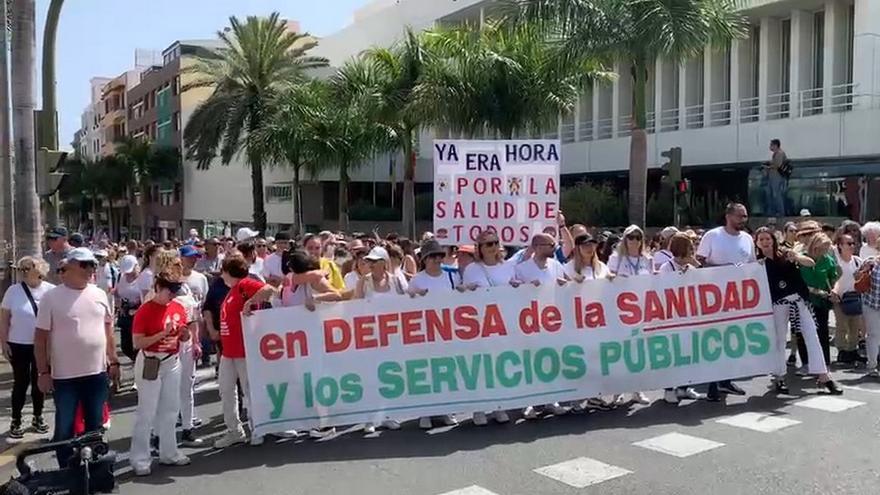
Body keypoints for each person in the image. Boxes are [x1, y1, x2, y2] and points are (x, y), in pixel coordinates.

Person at [34, 248, 120, 466]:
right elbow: (41, 338)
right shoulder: (51, 297)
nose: (90, 269)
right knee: (65, 428)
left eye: (92, 264)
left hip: (96, 373)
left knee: (95, 426)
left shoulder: (99, 294)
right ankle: (68, 473)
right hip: (65, 377)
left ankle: (96, 472)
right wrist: (43, 371)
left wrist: (114, 360)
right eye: (84, 265)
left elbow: (108, 332)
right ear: (68, 267)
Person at [755, 227, 842, 395]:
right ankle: (779, 377)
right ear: (757, 243)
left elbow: (810, 262)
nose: (765, 242)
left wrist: (796, 257)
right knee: (780, 340)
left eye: (768, 238)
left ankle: (824, 377)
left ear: (773, 240)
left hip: (798, 300)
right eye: (761, 239)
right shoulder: (757, 262)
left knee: (812, 335)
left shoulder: (786, 254)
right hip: (777, 304)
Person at [128, 269, 193, 476]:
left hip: (172, 361)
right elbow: (138, 342)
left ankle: (169, 452)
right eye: (169, 291)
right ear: (157, 288)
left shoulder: (178, 307)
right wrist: (162, 333)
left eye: (175, 291)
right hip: (150, 361)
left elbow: (183, 336)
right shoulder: (145, 311)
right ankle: (140, 458)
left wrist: (184, 334)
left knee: (171, 408)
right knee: (146, 411)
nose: (172, 295)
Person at [213, 255, 278, 448]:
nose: (221, 275)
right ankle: (234, 430)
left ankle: (257, 427)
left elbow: (269, 290)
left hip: (244, 349)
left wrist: (250, 302)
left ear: (228, 271)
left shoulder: (244, 284)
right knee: (226, 391)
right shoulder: (231, 290)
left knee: (250, 391)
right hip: (229, 351)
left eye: (223, 271)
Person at [696, 203, 755, 401]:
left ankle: (726, 380)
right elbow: (699, 262)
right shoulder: (712, 236)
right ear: (728, 216)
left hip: (738, 298)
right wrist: (723, 269)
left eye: (745, 216)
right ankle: (712, 383)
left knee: (733, 339)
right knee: (715, 340)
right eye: (740, 216)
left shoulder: (747, 239)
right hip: (714, 297)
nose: (743, 220)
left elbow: (753, 265)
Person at [511, 234, 571, 418]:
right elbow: (511, 288)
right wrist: (525, 286)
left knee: (550, 361)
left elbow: (570, 283)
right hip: (529, 321)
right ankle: (527, 403)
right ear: (537, 247)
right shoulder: (521, 268)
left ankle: (551, 399)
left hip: (552, 321)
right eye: (550, 244)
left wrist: (565, 284)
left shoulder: (555, 265)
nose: (554, 247)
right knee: (530, 362)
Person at [0, 257, 55, 438]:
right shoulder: (13, 291)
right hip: (18, 343)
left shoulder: (50, 291)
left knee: (40, 381)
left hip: (42, 345)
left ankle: (38, 416)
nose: (23, 271)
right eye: (21, 268)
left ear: (39, 269)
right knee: (20, 382)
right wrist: (4, 342)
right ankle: (16, 419)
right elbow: (4, 319)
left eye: (28, 268)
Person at [408, 240, 460, 428]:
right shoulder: (417, 279)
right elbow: (405, 305)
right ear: (424, 259)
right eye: (433, 256)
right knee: (427, 371)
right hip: (425, 332)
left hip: (448, 331)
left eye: (440, 256)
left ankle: (447, 409)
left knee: (446, 371)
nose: (437, 259)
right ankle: (426, 412)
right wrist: (414, 296)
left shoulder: (451, 277)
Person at [657, 234, 705, 403]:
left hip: (690, 316)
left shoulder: (692, 268)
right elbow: (664, 290)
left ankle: (685, 387)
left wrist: (696, 267)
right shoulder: (666, 267)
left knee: (689, 353)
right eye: (689, 248)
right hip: (672, 317)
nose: (692, 251)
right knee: (672, 354)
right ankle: (669, 389)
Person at [178, 245, 208, 446]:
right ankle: (161, 432)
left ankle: (187, 425)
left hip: (190, 338)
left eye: (196, 257)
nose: (193, 260)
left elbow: (199, 309)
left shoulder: (199, 280)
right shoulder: (166, 283)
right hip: (173, 341)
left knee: (188, 383)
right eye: (189, 257)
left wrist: (198, 339)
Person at [799, 233, 839, 368]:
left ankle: (825, 363)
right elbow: (800, 282)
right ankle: (806, 363)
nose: (825, 252)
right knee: (804, 332)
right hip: (805, 300)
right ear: (815, 247)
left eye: (827, 249)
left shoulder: (827, 260)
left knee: (822, 331)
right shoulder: (803, 259)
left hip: (822, 302)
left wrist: (834, 290)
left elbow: (834, 278)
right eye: (822, 248)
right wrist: (817, 292)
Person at [831, 232, 865, 366]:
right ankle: (842, 351)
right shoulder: (835, 260)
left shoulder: (857, 261)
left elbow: (862, 280)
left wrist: (860, 277)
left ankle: (852, 350)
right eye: (848, 243)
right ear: (840, 245)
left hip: (854, 297)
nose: (852, 246)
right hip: (840, 298)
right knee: (841, 326)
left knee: (855, 326)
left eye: (853, 243)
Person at [115, 255, 141, 365]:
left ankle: (139, 363)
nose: (129, 273)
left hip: (139, 311)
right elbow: (117, 293)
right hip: (125, 312)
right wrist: (119, 304)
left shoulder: (143, 278)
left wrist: (137, 305)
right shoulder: (121, 277)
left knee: (137, 343)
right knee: (126, 346)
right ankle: (135, 360)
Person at [860, 257, 880, 377]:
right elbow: (855, 276)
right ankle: (872, 365)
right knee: (873, 335)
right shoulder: (871, 262)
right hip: (871, 305)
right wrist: (864, 271)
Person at [764, 138, 788, 217]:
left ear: (775, 145)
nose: (770, 147)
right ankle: (772, 212)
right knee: (771, 194)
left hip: (777, 177)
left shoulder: (780, 153)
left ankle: (780, 212)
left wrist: (768, 167)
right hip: (773, 177)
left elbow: (778, 165)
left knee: (777, 194)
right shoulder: (775, 154)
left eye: (771, 145)